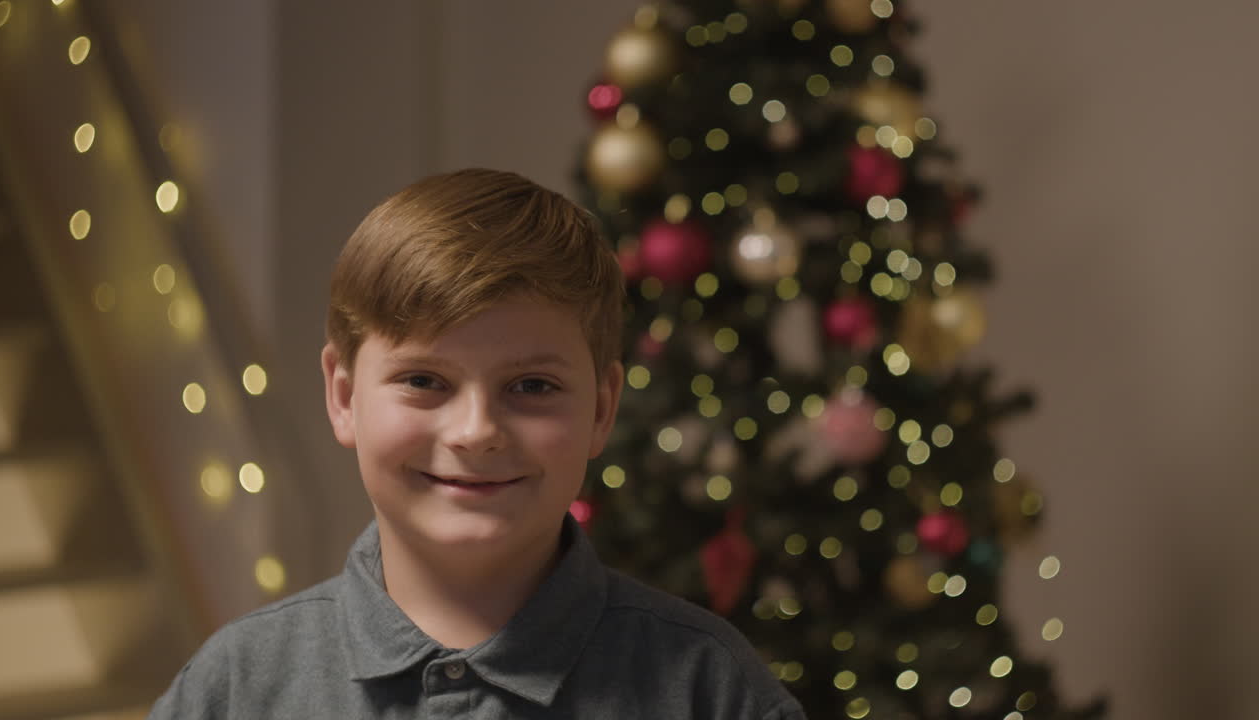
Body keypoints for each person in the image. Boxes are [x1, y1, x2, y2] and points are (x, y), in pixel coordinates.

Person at [148, 169, 807, 719]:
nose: (475, 432)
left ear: (603, 408)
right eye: (424, 380)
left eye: (532, 386)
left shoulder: (709, 689)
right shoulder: (237, 687)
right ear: (344, 397)